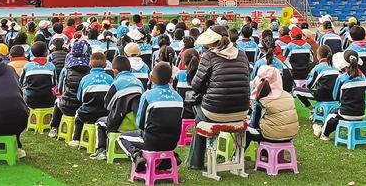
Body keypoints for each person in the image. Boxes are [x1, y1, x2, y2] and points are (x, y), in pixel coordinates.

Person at [187, 25, 250, 169]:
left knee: (198, 111)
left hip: (215, 112)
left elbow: (196, 86)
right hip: (242, 111)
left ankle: (195, 162)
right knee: (201, 110)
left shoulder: (208, 56)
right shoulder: (242, 55)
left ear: (211, 42)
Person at [118, 62, 183, 173]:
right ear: (171, 80)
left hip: (151, 141)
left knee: (122, 137)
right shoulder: (178, 97)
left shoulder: (147, 96)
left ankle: (137, 156)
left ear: (151, 78)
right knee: (159, 137)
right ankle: (169, 159)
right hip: (172, 142)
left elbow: (140, 123)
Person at [90, 56, 144, 160]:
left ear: (115, 71)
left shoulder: (116, 84)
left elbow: (107, 105)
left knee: (99, 122)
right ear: (130, 69)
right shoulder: (138, 82)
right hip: (136, 125)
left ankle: (101, 150)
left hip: (119, 124)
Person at [317, 50, 366, 141]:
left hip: (346, 113)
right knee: (339, 113)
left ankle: (324, 134)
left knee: (332, 115)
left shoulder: (342, 78)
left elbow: (335, 96)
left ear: (344, 63)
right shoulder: (363, 77)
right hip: (361, 113)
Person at [247, 64, 299, 149]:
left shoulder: (262, 99)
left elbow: (253, 124)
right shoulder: (288, 95)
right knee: (266, 128)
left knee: (247, 132)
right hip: (290, 135)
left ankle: (237, 155)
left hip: (271, 136)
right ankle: (265, 155)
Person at [68, 52, 113, 148]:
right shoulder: (110, 79)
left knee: (78, 115)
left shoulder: (85, 79)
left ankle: (76, 139)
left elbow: (80, 97)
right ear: (105, 65)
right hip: (105, 113)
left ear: (90, 64)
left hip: (87, 114)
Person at [49, 41, 91, 137]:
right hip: (84, 107)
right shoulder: (90, 72)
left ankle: (54, 127)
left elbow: (60, 89)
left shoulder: (66, 70)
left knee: (57, 101)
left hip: (67, 107)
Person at [20, 41, 57, 109]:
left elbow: (21, 83)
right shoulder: (51, 66)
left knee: (23, 91)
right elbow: (53, 84)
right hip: (48, 100)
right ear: (46, 53)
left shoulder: (27, 66)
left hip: (30, 100)